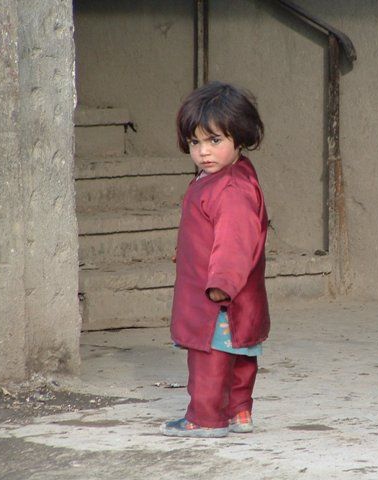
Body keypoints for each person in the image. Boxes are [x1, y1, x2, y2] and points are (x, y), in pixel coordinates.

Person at [160, 81, 270, 438]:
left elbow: (235, 241)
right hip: (241, 299)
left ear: (240, 137)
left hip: (219, 297)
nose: (204, 151)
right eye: (195, 142)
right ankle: (239, 413)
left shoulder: (230, 188)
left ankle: (205, 418)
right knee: (239, 356)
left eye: (215, 141)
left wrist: (222, 284)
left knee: (210, 358)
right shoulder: (227, 176)